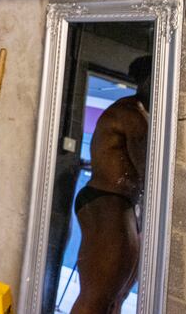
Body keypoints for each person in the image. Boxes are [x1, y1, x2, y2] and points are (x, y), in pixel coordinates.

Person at [72, 56, 151, 314]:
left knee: (115, 296)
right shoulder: (132, 114)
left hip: (116, 201)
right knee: (98, 296)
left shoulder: (139, 113)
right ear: (148, 81)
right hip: (107, 200)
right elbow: (149, 172)